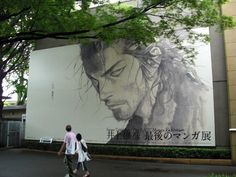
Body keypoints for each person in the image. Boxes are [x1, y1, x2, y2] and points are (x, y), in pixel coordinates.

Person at [80, 39, 211, 145]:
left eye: (115, 72)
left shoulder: (194, 108)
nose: (103, 94)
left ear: (152, 60)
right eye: (95, 81)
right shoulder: (135, 129)